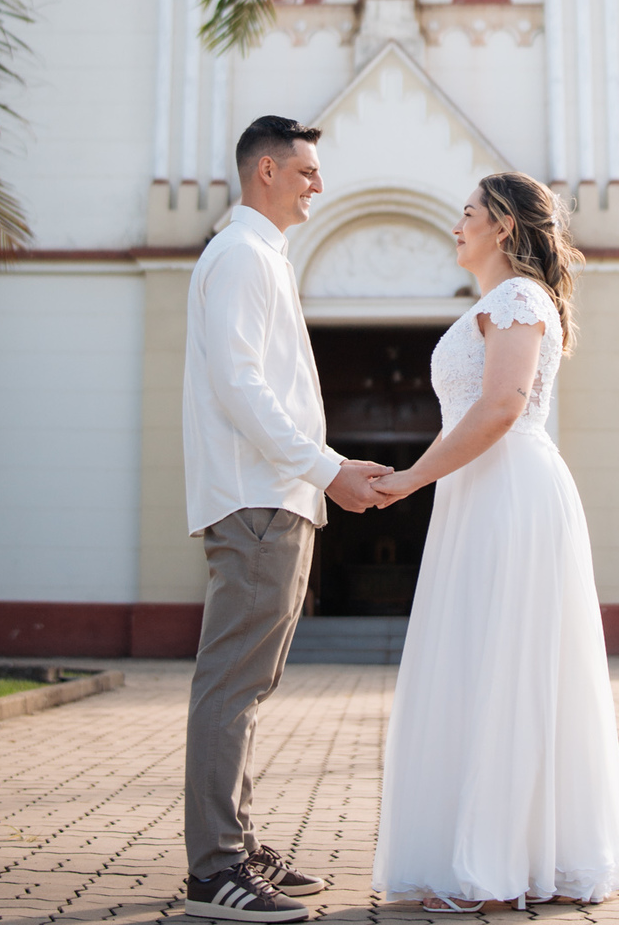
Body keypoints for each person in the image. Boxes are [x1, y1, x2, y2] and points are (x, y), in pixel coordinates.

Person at [370, 173, 619, 910]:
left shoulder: (518, 299)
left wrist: (414, 479)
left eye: (467, 214)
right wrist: (416, 478)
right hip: (476, 494)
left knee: (503, 665)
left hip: (510, 492)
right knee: (475, 663)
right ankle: (483, 854)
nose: (456, 225)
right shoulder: (492, 304)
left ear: (505, 229)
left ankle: (495, 867)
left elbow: (501, 410)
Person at [182, 115, 390, 923]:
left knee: (247, 684)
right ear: (264, 171)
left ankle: (233, 841)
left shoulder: (260, 256)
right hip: (257, 499)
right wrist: (329, 469)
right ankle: (215, 871)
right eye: (306, 172)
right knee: (231, 683)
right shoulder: (239, 255)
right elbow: (241, 386)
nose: (319, 185)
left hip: (277, 496)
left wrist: (320, 471)